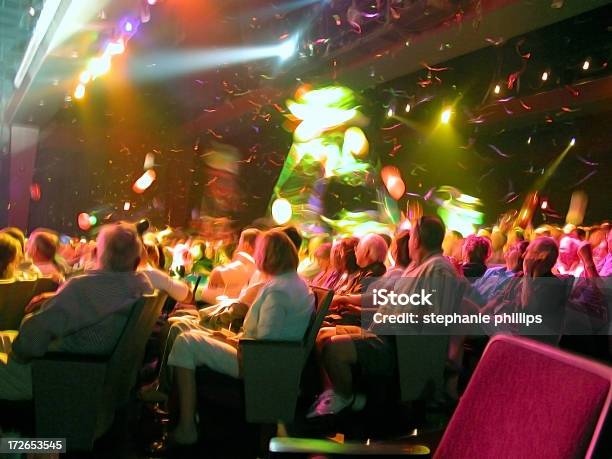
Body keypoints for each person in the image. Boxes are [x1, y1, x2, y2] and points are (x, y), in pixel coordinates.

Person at [166, 229, 314, 444]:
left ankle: (187, 426)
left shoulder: (278, 291)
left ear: (268, 256)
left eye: (260, 253)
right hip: (269, 359)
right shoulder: (295, 284)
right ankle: (185, 416)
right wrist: (227, 337)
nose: (256, 257)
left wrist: (229, 339)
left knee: (185, 341)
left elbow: (264, 341)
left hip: (257, 364)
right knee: (189, 334)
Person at [309, 216, 465, 417]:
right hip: (384, 335)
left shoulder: (438, 269)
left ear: (416, 240)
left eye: (410, 238)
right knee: (321, 335)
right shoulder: (418, 266)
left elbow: (433, 320)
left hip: (399, 346)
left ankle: (348, 398)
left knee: (334, 348)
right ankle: (337, 395)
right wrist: (363, 312)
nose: (408, 243)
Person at [0, 222, 153, 400]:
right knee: (5, 337)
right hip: (91, 376)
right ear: (135, 263)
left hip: (54, 376)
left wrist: (17, 353)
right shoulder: (141, 288)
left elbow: (29, 341)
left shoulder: (82, 289)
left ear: (96, 254)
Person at [197, 228, 260, 303]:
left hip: (217, 309)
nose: (237, 246)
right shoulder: (247, 264)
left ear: (246, 246)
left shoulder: (244, 265)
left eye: (240, 242)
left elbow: (215, 275)